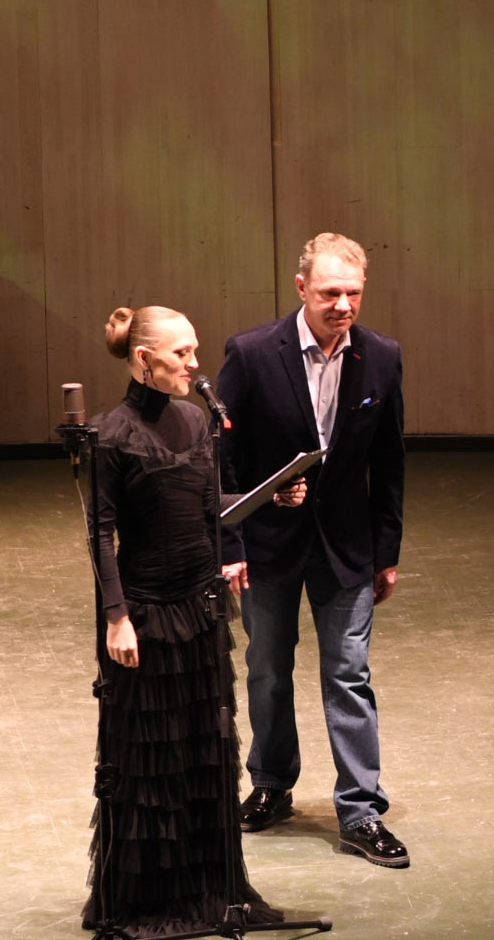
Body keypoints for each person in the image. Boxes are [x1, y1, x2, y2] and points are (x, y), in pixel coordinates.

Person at [81, 305, 303, 936]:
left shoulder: (195, 420)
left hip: (200, 609)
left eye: (194, 350)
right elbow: (100, 536)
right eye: (181, 353)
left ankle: (207, 891)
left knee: (203, 755)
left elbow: (210, 507)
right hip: (146, 615)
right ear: (143, 359)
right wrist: (117, 617)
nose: (194, 364)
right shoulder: (110, 436)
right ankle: (147, 901)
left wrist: (268, 495)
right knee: (150, 763)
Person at [216, 232, 409, 868]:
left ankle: (360, 811)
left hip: (346, 548)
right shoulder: (250, 354)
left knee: (349, 674)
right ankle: (272, 784)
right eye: (330, 293)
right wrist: (231, 540)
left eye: (353, 293)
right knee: (268, 669)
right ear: (301, 288)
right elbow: (224, 460)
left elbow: (389, 461)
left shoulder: (382, 356)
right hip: (267, 546)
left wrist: (386, 551)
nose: (343, 305)